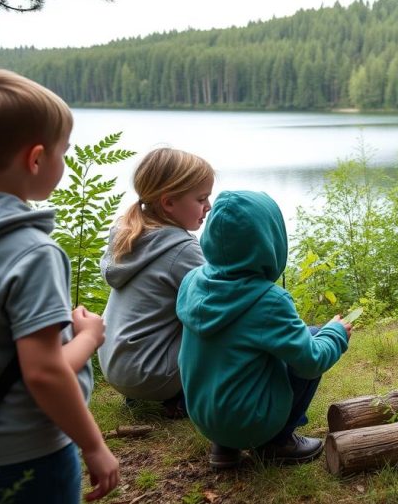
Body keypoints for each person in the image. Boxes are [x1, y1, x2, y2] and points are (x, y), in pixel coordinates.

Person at [0, 70, 119, 502]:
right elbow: (44, 372)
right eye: (63, 152)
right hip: (27, 454)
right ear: (36, 159)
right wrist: (88, 337)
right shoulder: (32, 253)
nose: (64, 162)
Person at [176, 190, 352, 470]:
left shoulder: (192, 281)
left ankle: (225, 447)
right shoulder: (268, 300)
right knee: (314, 337)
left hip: (203, 416)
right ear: (270, 240)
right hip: (251, 422)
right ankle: (277, 442)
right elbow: (311, 362)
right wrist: (336, 333)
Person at [98, 147, 214, 418]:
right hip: (151, 374)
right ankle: (186, 399)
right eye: (201, 199)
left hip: (117, 367)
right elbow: (215, 303)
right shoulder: (181, 248)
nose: (208, 206)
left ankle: (148, 395)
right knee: (219, 322)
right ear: (168, 203)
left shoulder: (131, 234)